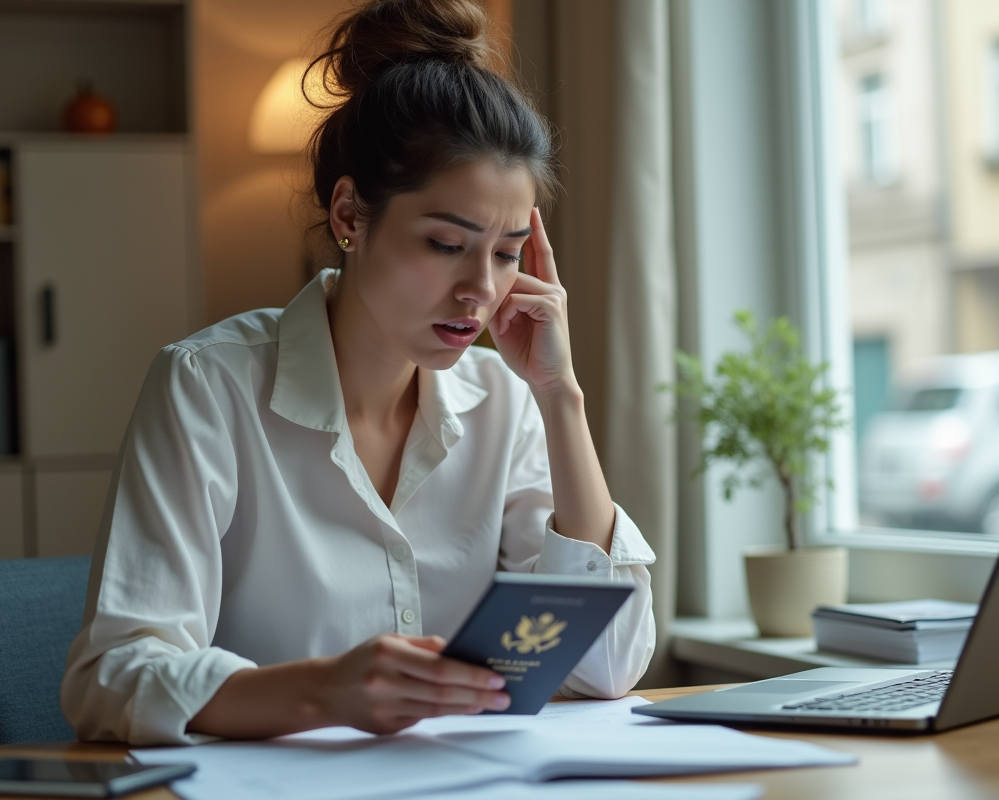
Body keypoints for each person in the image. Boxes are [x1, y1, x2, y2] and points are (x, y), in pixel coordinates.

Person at [61, 0, 656, 745]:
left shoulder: (506, 401)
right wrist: (324, 691)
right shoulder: (208, 387)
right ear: (349, 213)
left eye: (506, 253)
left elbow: (610, 666)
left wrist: (560, 397)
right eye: (446, 243)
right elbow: (110, 678)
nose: (480, 288)